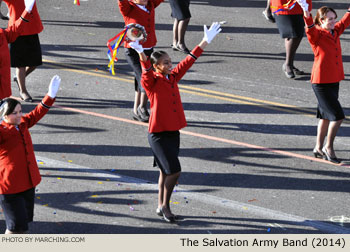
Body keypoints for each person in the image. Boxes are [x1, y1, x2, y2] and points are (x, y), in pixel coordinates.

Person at [130, 22, 221, 223]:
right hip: (158, 134)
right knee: (174, 171)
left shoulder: (172, 77)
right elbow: (145, 72)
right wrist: (141, 55)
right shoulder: (151, 81)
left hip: (173, 131)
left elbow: (189, 61)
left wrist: (205, 41)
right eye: (165, 63)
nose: (170, 65)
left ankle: (160, 204)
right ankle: (166, 206)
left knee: (165, 171)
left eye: (170, 62)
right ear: (156, 66)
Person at [0, 75, 61, 234]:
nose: (19, 115)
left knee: (22, 226)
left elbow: (36, 114)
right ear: (4, 116)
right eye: (14, 113)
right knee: (14, 228)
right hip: (10, 188)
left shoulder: (23, 124)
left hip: (27, 183)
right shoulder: (2, 132)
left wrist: (50, 96)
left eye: (20, 111)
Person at [302, 5, 350, 164]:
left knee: (325, 116)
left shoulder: (334, 30)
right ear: (321, 21)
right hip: (321, 82)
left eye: (334, 18)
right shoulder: (317, 34)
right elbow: (309, 28)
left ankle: (317, 147)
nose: (333, 21)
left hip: (333, 79)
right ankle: (328, 147)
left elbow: (344, 22)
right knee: (338, 116)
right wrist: (306, 14)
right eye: (330, 19)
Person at [118, 0, 164, 122]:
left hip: (148, 49)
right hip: (133, 51)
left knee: (140, 78)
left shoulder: (151, 4)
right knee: (145, 76)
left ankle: (135, 109)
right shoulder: (129, 8)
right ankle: (142, 108)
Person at [3, 0, 44, 102]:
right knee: (21, 64)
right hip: (17, 30)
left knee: (35, 62)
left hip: (32, 28)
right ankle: (23, 91)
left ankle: (20, 78)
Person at [270, 0, 312, 79]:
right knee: (293, 34)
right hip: (285, 5)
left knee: (298, 33)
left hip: (299, 5)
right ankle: (288, 64)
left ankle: (289, 63)